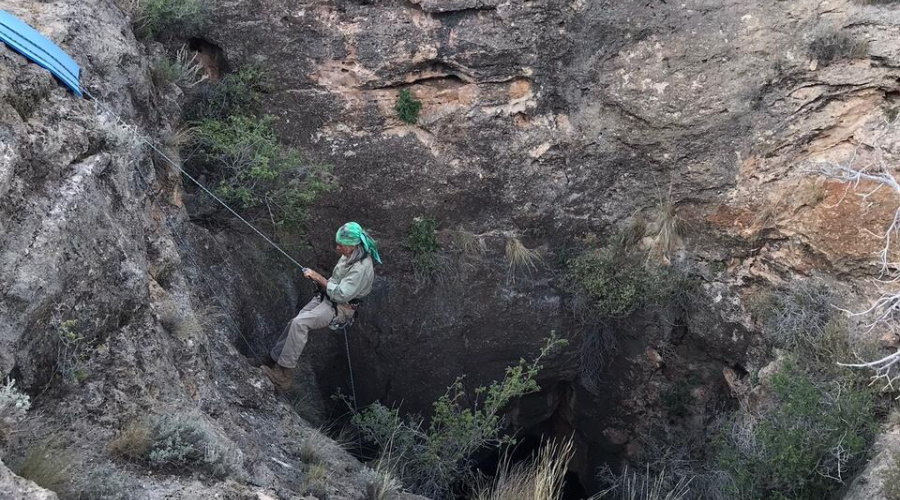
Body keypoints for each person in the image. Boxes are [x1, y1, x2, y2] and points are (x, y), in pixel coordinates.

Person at [262, 222, 382, 390]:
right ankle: (272, 360)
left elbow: (341, 294)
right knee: (295, 322)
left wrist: (318, 277)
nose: (337, 248)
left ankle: (284, 375)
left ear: (353, 245)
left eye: (341, 245)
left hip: (341, 307)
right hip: (328, 297)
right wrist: (322, 283)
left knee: (300, 324)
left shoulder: (361, 267)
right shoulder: (351, 255)